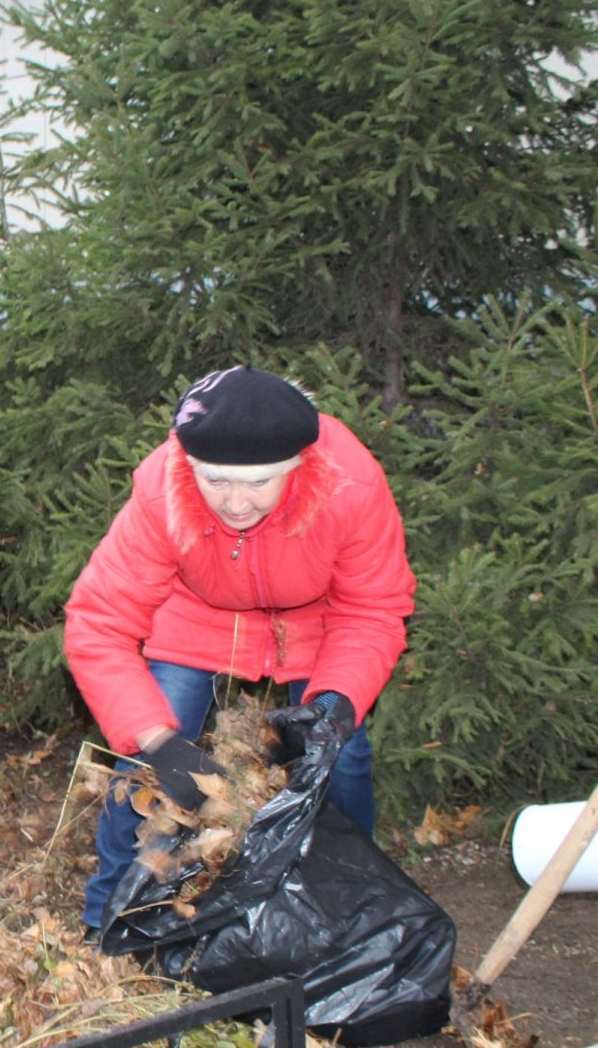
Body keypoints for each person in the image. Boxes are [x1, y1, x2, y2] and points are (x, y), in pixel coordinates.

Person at [63, 365, 415, 933]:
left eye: (258, 482)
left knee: (341, 754)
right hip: (193, 611)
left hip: (313, 619)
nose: (235, 503)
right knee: (148, 760)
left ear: (299, 467)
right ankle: (109, 912)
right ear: (189, 466)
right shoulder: (164, 492)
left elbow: (371, 609)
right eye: (217, 481)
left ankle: (350, 897)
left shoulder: (349, 486)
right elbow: (99, 623)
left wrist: (334, 704)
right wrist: (158, 742)